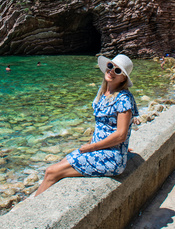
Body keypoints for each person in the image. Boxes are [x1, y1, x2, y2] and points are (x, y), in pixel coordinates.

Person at [35, 54, 138, 196]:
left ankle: (28, 213)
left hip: (110, 157)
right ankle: (35, 203)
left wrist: (92, 147)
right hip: (99, 149)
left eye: (118, 71)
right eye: (110, 66)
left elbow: (121, 135)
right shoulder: (103, 93)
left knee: (51, 172)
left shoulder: (124, 98)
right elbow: (101, 126)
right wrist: (91, 144)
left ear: (123, 78)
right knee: (61, 163)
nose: (112, 71)